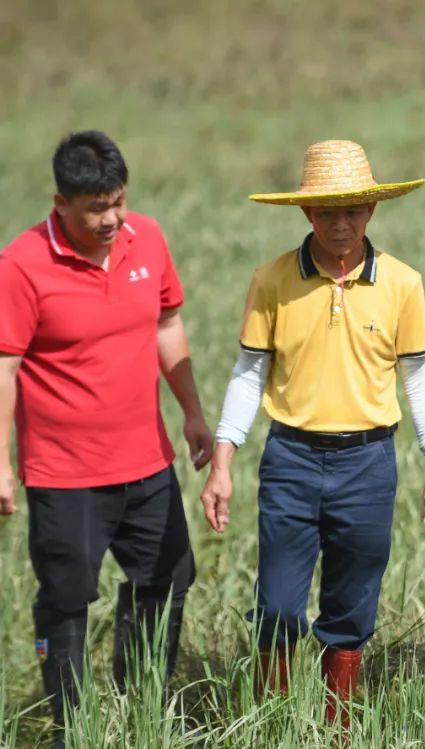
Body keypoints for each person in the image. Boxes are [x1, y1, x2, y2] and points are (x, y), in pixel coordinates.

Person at [198, 140, 425, 730]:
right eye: (328, 212)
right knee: (280, 606)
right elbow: (248, 372)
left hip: (368, 463)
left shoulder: (402, 284)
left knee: (351, 607)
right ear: (306, 213)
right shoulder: (272, 280)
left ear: (372, 212)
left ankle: (338, 729)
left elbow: (419, 377)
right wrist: (222, 461)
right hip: (290, 457)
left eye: (354, 211)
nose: (342, 224)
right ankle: (274, 725)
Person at [0, 130, 212, 747]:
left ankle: (139, 705)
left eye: (118, 201)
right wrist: (1, 466)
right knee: (66, 598)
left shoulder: (146, 237)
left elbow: (168, 322)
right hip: (65, 474)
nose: (112, 218)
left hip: (147, 462)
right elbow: (4, 368)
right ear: (60, 202)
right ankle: (74, 728)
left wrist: (192, 412)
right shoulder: (21, 265)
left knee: (169, 579)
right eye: (96, 207)